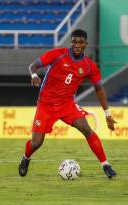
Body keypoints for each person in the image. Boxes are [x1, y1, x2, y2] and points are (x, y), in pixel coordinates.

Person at [18, 29, 117, 179]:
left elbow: (99, 89)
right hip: (46, 104)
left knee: (86, 129)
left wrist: (107, 114)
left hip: (67, 104)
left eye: (80, 42)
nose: (77, 45)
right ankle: (25, 158)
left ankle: (106, 165)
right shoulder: (57, 54)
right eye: (74, 41)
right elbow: (33, 65)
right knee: (36, 143)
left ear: (86, 44)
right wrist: (33, 75)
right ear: (70, 42)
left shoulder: (89, 66)